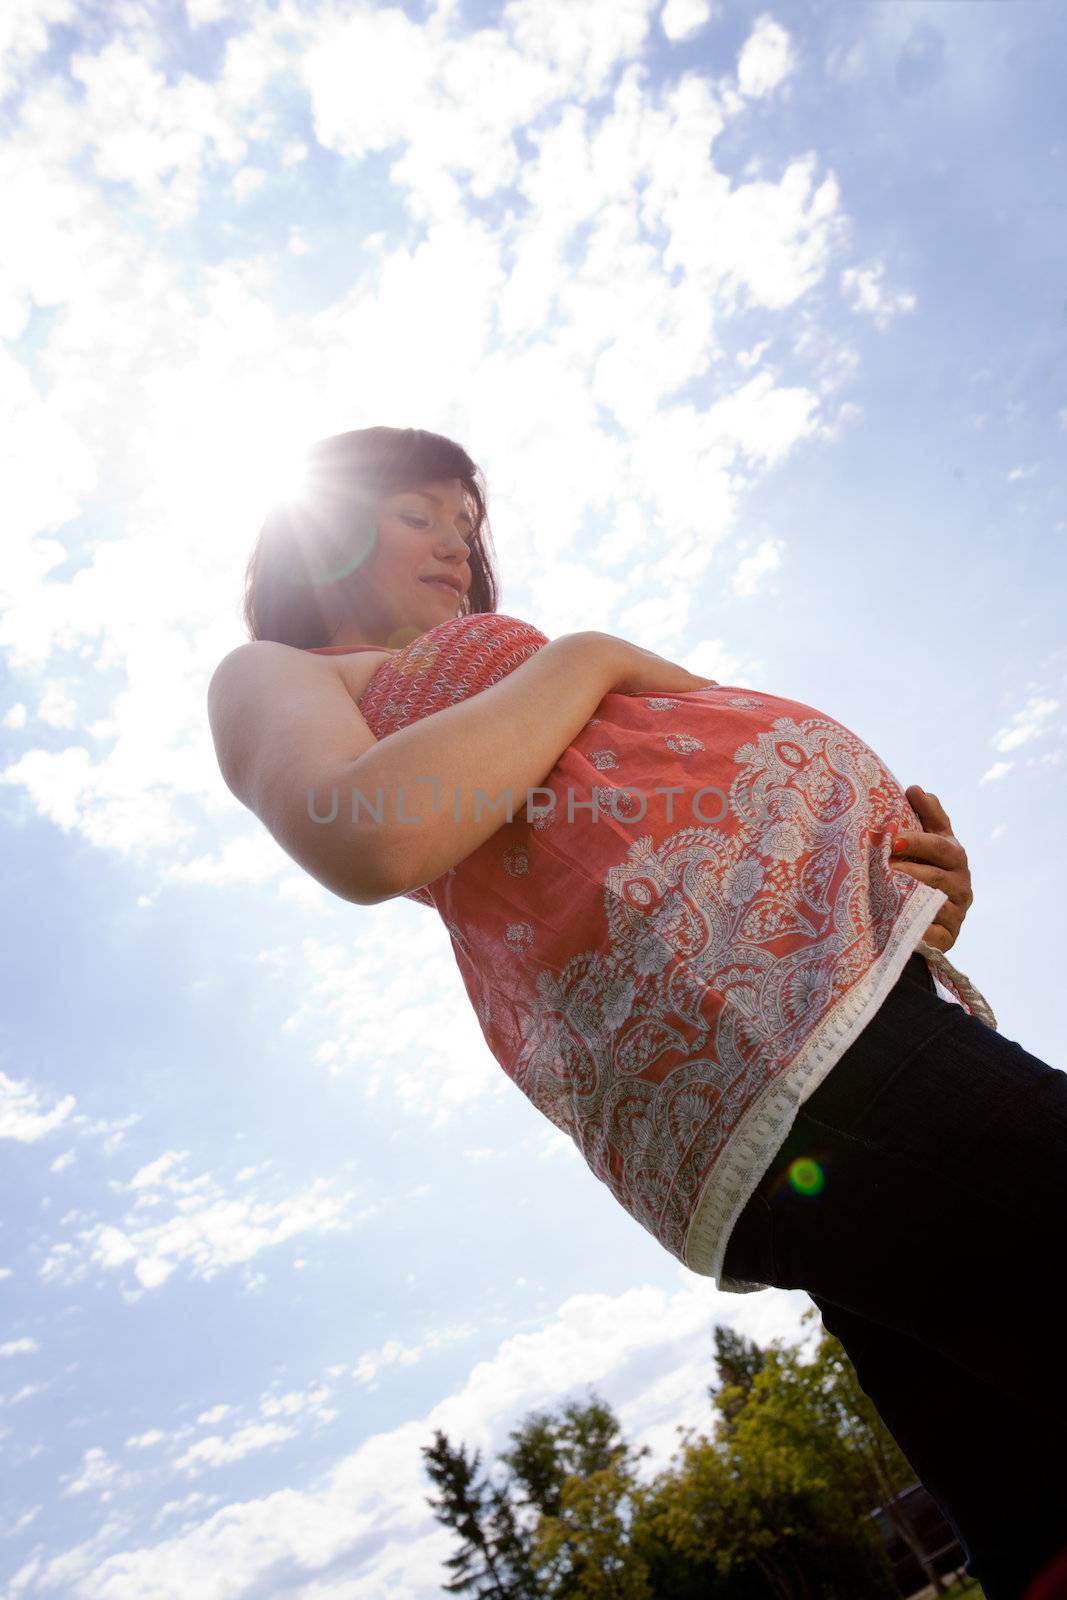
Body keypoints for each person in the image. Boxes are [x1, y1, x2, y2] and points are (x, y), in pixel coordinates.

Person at [207, 427, 1065, 1600]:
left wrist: (896, 883)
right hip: (783, 1066)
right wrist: (591, 657)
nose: (457, 548)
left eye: (468, 527)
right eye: (421, 516)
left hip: (841, 1023)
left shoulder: (500, 679)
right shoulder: (277, 673)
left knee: (1023, 1485)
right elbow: (371, 832)